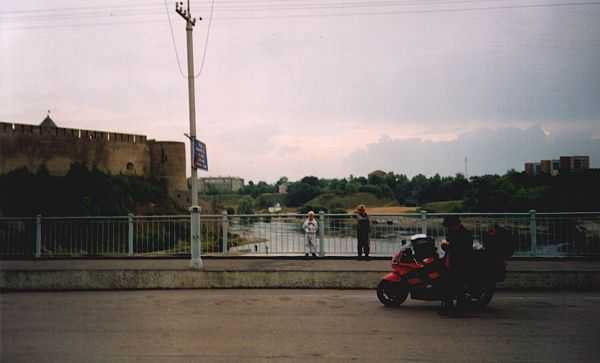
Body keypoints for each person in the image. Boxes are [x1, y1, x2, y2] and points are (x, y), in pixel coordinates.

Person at [440, 215, 473, 317]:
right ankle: (448, 308)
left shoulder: (465, 234)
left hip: (460, 264)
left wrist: (448, 246)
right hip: (450, 262)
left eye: (449, 226)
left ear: (455, 224)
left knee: (458, 288)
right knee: (447, 286)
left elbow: (462, 250)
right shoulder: (452, 232)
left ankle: (459, 310)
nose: (448, 228)